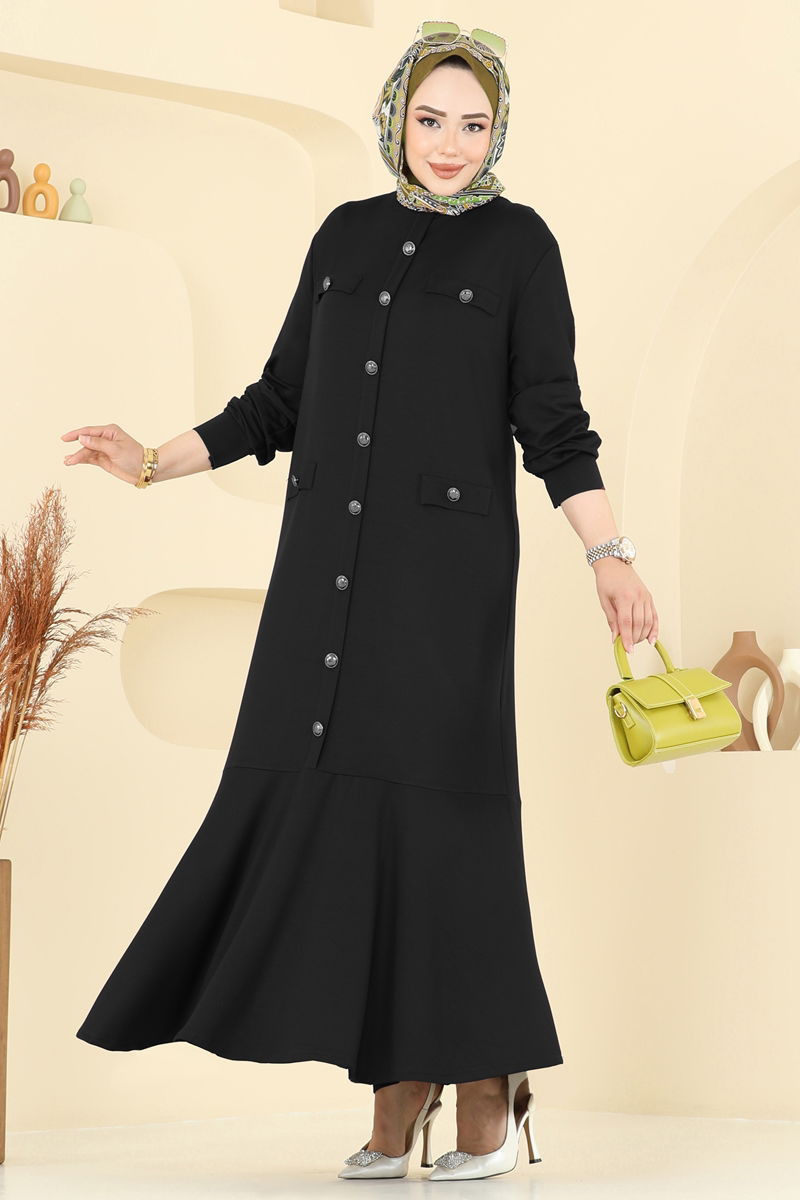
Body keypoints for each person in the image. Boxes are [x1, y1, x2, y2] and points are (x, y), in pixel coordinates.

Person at [63, 21, 659, 1183]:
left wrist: (609, 553)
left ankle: (481, 1088)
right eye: (429, 119)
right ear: (396, 117)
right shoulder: (342, 235)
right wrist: (150, 461)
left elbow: (552, 421)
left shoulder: (519, 247)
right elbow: (277, 402)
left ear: (497, 133)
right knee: (332, 818)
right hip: (323, 581)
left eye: (473, 124)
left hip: (442, 591)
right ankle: (397, 1089)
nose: (449, 143)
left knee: (442, 829)